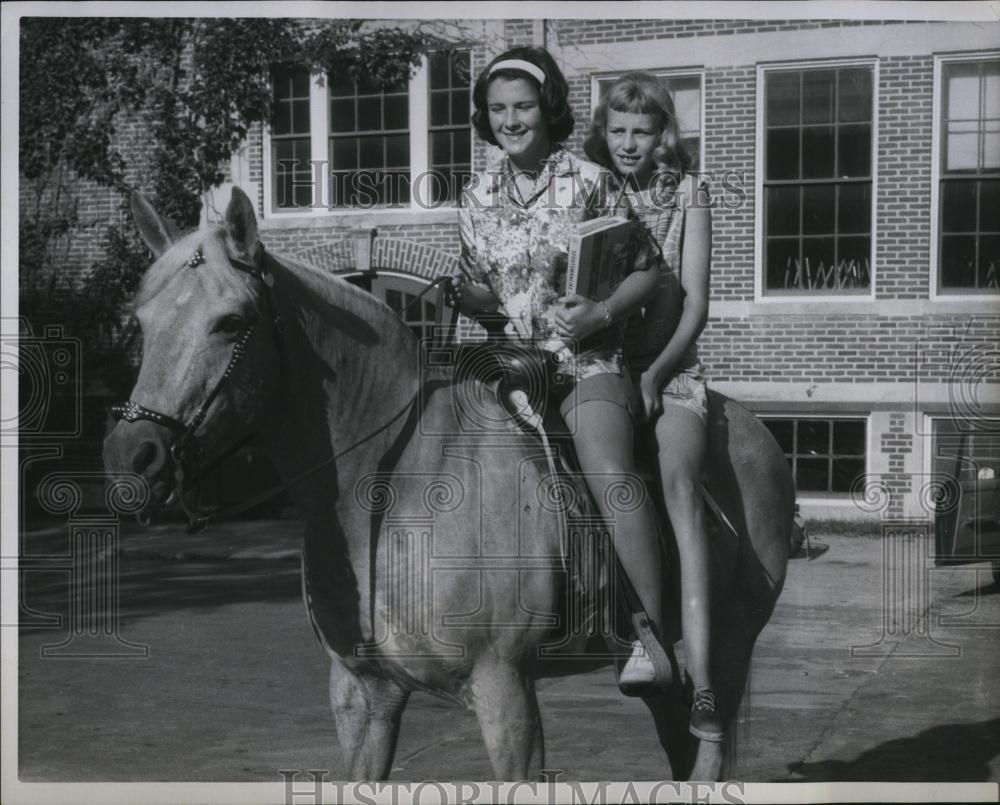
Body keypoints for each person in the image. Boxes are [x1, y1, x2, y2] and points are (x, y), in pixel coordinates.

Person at [450, 47, 672, 694]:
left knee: (608, 473)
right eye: (498, 109)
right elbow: (478, 291)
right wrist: (473, 297)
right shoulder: (475, 194)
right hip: (507, 362)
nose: (511, 120)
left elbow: (648, 269)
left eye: (522, 106)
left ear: (546, 110)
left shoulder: (588, 180)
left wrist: (600, 310)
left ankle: (652, 635)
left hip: (582, 362)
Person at [584, 71, 724, 741]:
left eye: (642, 131)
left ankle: (702, 677)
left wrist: (658, 373)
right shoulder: (588, 191)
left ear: (663, 132)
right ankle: (618, 629)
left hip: (670, 369)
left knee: (676, 482)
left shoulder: (691, 193)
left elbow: (695, 303)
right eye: (617, 131)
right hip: (602, 362)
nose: (629, 144)